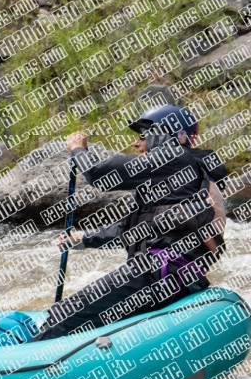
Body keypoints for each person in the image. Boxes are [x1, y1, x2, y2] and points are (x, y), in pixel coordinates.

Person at [34, 104, 227, 341]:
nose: (136, 144)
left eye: (143, 136)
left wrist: (78, 150)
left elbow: (98, 174)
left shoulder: (174, 156)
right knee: (72, 318)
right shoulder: (179, 175)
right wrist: (84, 239)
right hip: (170, 276)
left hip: (156, 273)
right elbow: (131, 229)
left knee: (62, 315)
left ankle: (21, 371)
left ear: (167, 135)